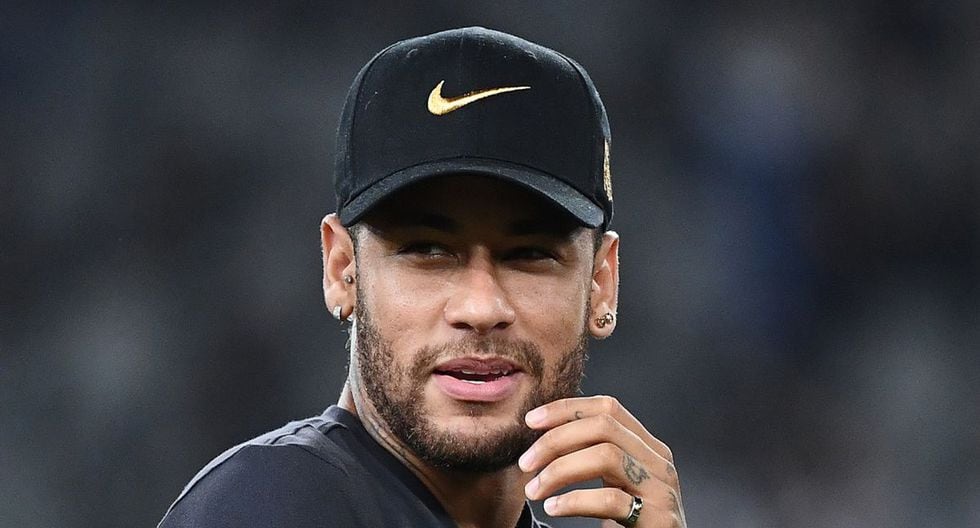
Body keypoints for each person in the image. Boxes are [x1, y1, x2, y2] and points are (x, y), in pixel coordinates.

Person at [158, 27, 686, 528]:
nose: (480, 308)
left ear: (601, 284)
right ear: (342, 269)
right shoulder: (273, 501)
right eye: (427, 251)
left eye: (529, 254)